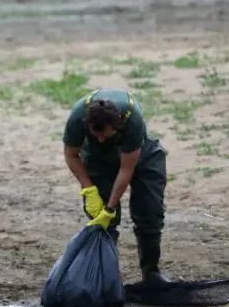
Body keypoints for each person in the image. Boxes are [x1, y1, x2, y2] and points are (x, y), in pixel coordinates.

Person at [63, 88, 168, 285]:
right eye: (96, 135)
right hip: (97, 159)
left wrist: (110, 207)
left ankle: (151, 273)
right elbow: (71, 155)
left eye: (105, 135)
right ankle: (104, 277)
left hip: (141, 154)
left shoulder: (131, 118)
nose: (101, 138)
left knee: (150, 211)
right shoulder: (78, 117)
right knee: (103, 222)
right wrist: (89, 189)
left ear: (116, 125)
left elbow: (126, 170)